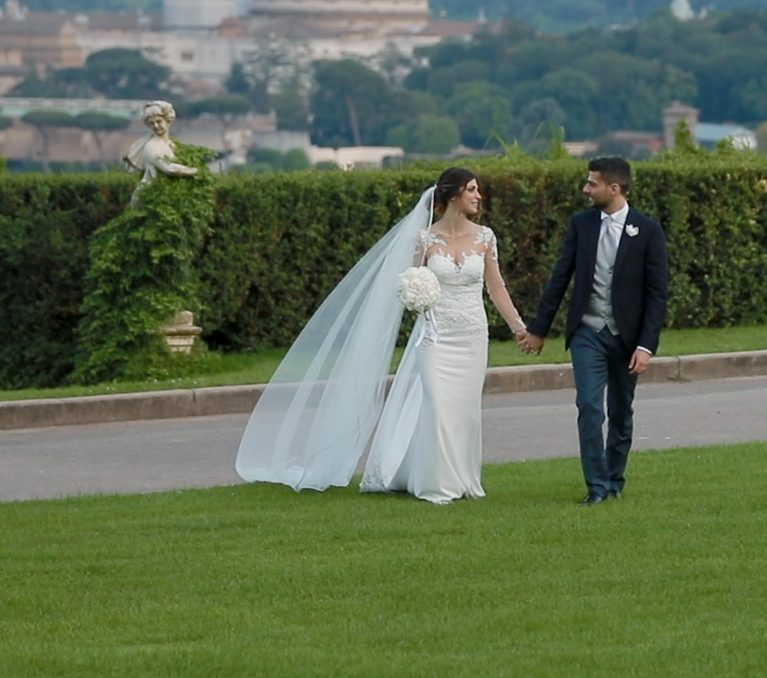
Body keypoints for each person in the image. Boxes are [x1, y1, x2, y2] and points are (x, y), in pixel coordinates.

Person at [236, 168, 528, 504]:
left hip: (473, 336)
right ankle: (437, 485)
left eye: (478, 190)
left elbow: (496, 287)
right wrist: (415, 298)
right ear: (452, 195)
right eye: (472, 190)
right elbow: (410, 282)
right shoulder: (424, 240)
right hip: (435, 337)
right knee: (436, 405)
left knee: (464, 412)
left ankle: (463, 479)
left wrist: (519, 328)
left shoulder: (486, 237)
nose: (479, 196)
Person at [520, 157, 670, 504]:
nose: (586, 190)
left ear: (613, 189)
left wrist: (646, 346)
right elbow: (560, 277)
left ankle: (615, 479)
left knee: (621, 411)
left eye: (592, 184)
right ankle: (597, 488)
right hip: (588, 332)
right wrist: (539, 329)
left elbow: (657, 294)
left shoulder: (647, 231)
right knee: (589, 406)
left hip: (628, 337)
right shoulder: (581, 225)